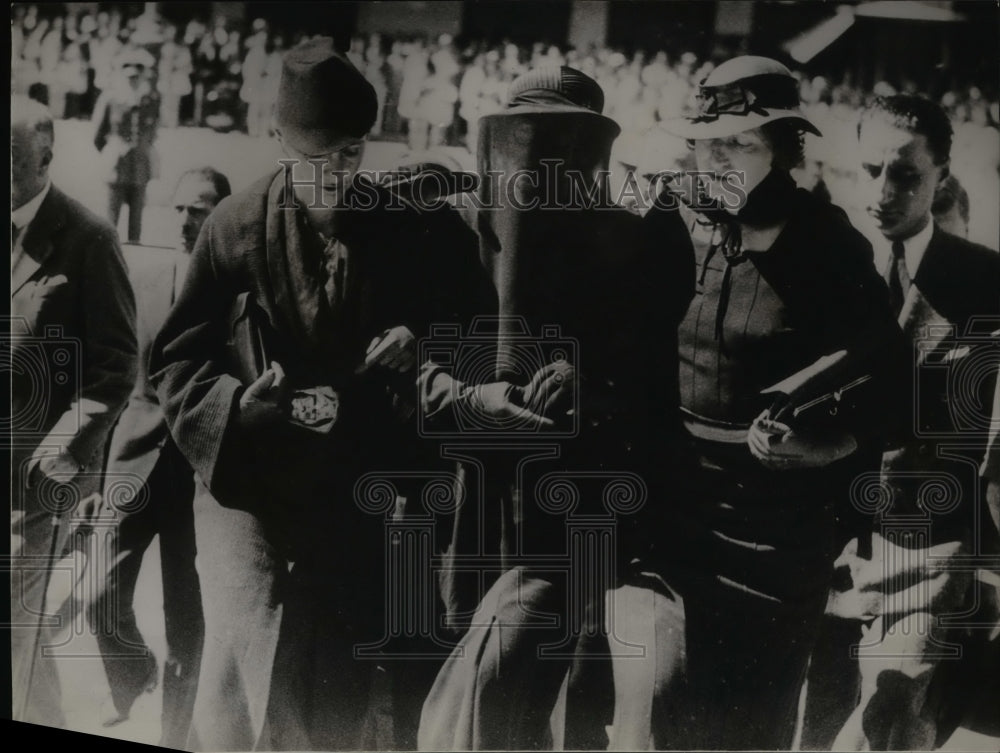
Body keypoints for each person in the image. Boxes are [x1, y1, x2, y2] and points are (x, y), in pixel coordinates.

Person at [148, 38, 481, 751]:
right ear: (278, 142)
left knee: (336, 666)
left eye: (351, 154)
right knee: (249, 633)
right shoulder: (234, 226)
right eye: (316, 158)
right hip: (249, 476)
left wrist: (424, 342)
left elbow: (478, 324)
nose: (336, 173)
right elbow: (176, 360)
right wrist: (237, 408)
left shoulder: (411, 227)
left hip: (356, 476)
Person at [593, 56, 908, 750]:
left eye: (738, 143)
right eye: (706, 143)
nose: (716, 160)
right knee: (650, 718)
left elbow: (891, 381)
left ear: (782, 149)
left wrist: (825, 446)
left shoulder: (830, 245)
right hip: (668, 522)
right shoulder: (669, 219)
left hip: (779, 539)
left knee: (746, 736)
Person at [416, 65, 696, 751]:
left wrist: (586, 374)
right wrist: (473, 396)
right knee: (483, 689)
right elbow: (413, 370)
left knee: (569, 694)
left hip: (584, 511)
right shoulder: (454, 228)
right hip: (479, 509)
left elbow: (665, 379)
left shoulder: (640, 239)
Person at [800, 94, 1000, 752]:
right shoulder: (822, 265)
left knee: (881, 724)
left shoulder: (984, 280)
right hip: (820, 543)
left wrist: (988, 566)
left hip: (927, 546)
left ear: (942, 176)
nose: (884, 191)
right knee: (812, 725)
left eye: (906, 174)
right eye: (871, 169)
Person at [87, 167, 231, 747]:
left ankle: (175, 733)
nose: (186, 220)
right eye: (179, 209)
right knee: (99, 594)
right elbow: (114, 378)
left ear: (221, 216)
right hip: (133, 461)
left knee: (186, 620)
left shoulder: (237, 290)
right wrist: (97, 470)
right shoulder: (141, 278)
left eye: (199, 209)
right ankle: (133, 675)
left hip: (199, 478)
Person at [10, 94, 137, 728]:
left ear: (44, 158)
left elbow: (116, 364)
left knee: (12, 610)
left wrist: (66, 444)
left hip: (39, 472)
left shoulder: (89, 238)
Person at [92, 50, 160, 243]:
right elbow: (97, 136)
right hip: (116, 166)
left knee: (136, 220)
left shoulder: (151, 100)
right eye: (129, 76)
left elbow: (152, 132)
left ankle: (134, 252)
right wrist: (112, 152)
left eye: (137, 75)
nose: (133, 80)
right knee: (111, 219)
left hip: (140, 166)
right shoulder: (110, 98)